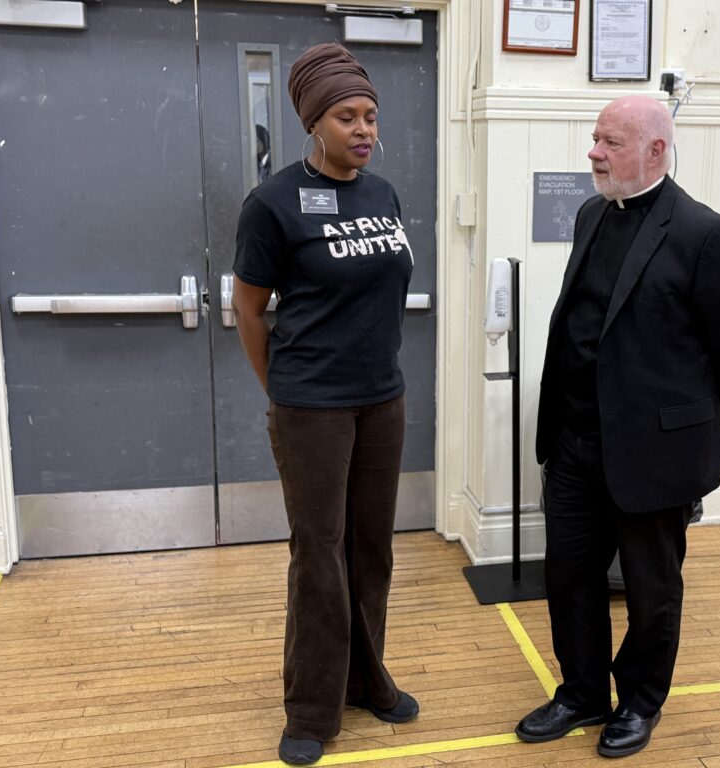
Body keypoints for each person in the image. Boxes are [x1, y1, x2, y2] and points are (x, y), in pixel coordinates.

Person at [516, 95, 720, 758]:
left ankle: (639, 702)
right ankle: (581, 693)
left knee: (653, 592)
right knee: (568, 576)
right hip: (573, 444)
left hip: (654, 453)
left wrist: (701, 422)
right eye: (595, 138)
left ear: (656, 151)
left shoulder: (707, 235)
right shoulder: (593, 212)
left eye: (611, 143)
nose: (594, 152)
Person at [232, 42, 417, 766]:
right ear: (314, 122)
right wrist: (278, 390)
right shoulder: (272, 203)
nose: (364, 129)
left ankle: (367, 679)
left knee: (373, 549)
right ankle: (311, 708)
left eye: (371, 116)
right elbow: (249, 309)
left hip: (383, 400)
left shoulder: (384, 195)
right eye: (347, 116)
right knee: (319, 553)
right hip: (312, 404)